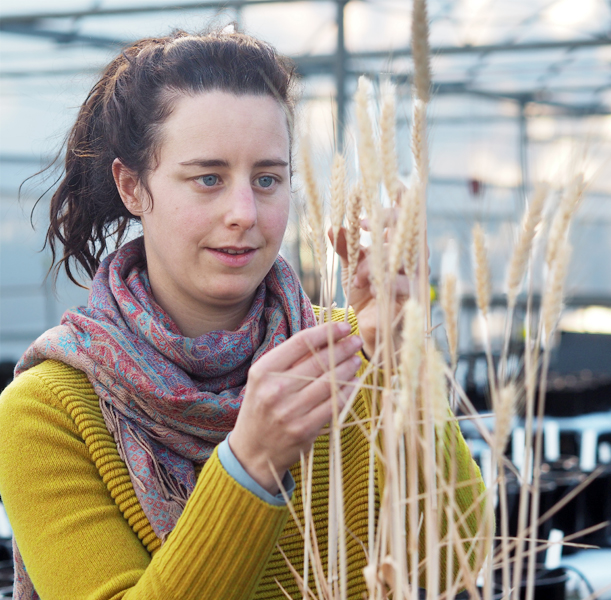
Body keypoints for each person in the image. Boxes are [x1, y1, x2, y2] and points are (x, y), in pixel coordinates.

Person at [0, 27, 484, 599]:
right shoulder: (49, 409)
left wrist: (404, 364)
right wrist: (251, 465)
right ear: (133, 186)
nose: (244, 213)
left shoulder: (348, 351)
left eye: (268, 178)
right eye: (208, 178)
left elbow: (455, 563)